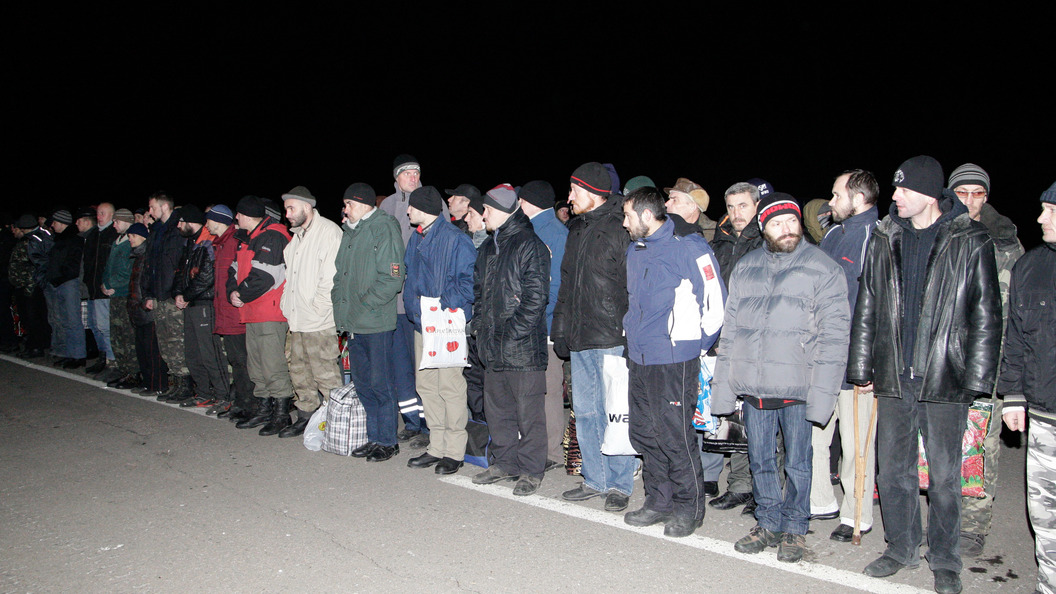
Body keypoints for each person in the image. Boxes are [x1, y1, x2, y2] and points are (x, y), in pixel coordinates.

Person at [848, 156, 1001, 594]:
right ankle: (900, 547)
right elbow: (868, 305)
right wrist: (862, 366)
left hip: (944, 377)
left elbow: (987, 316)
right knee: (892, 472)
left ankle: (946, 558)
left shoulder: (970, 239)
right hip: (895, 374)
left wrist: (976, 380)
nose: (893, 197)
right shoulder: (884, 236)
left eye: (901, 190)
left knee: (946, 477)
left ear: (928, 194)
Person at [711, 192, 849, 563]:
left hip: (798, 389)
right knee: (760, 458)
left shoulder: (823, 267)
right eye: (776, 223)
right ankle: (768, 521)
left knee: (799, 462)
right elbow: (732, 331)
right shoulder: (747, 266)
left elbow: (835, 337)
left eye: (791, 222)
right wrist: (723, 390)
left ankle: (795, 528)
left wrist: (823, 396)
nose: (786, 230)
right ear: (763, 228)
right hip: (755, 388)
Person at [621, 187, 726, 537]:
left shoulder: (689, 247)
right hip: (639, 357)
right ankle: (658, 500)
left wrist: (696, 346)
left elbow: (715, 303)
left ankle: (689, 507)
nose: (625, 223)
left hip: (674, 358)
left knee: (674, 436)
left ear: (647, 216)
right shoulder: (635, 251)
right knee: (644, 432)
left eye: (628, 216)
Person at [947, 163, 1025, 557]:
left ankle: (974, 525)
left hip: (988, 363)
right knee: (939, 443)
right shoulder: (937, 234)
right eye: (963, 193)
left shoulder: (1007, 245)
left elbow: (1016, 313)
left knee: (981, 447)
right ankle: (945, 519)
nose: (971, 201)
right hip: (944, 360)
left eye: (978, 193)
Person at [552, 162, 635, 513]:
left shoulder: (621, 227)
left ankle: (620, 483)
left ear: (592, 192)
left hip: (611, 335)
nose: (569, 198)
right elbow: (566, 286)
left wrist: (631, 334)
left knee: (614, 411)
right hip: (580, 334)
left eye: (574, 190)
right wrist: (560, 329)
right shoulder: (576, 229)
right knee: (585, 412)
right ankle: (595, 478)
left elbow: (633, 287)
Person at [807, 170, 880, 543]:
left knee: (854, 447)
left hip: (855, 362)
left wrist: (868, 363)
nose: (830, 203)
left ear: (859, 197)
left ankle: (857, 515)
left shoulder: (876, 237)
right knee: (815, 434)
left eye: (836, 196)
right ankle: (820, 501)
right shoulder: (834, 234)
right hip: (823, 358)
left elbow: (880, 309)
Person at [469, 184, 551, 495]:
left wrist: (508, 335)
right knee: (497, 409)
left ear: (501, 211)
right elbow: (479, 294)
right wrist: (479, 327)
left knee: (528, 413)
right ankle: (504, 462)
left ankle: (531, 470)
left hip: (522, 350)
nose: (482, 214)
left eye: (486, 209)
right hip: (492, 346)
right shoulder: (488, 248)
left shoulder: (530, 244)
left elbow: (535, 299)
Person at [999, 182, 1056, 594]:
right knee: (1045, 513)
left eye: (1050, 210)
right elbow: (1015, 338)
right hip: (1045, 416)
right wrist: (1013, 395)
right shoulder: (1031, 267)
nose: (1039, 219)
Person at [402, 186, 476, 474]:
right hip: (423, 325)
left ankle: (455, 451)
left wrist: (440, 306)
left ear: (425, 209)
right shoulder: (417, 237)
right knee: (426, 386)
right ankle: (437, 445)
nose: (408, 211)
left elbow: (467, 283)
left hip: (445, 325)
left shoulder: (456, 239)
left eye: (412, 206)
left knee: (450, 387)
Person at [333, 182, 406, 461]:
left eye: (348, 204)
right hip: (353, 322)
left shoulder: (383, 227)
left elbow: (392, 277)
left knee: (381, 383)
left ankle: (388, 440)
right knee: (362, 383)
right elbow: (341, 276)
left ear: (362, 204)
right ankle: (373, 436)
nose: (344, 210)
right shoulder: (351, 232)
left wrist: (365, 306)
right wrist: (340, 305)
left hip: (375, 321)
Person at [379, 154, 447, 448]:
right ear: (396, 178)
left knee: (424, 364)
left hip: (421, 302)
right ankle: (411, 421)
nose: (413, 176)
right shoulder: (387, 206)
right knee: (400, 365)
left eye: (417, 172)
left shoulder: (434, 202)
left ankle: (431, 423)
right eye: (407, 173)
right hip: (394, 301)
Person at [707, 181, 765, 514]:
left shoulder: (767, 240)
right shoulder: (723, 242)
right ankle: (741, 486)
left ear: (757, 204)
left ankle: (765, 489)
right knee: (736, 420)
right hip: (725, 341)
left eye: (743, 206)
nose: (736, 213)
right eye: (730, 207)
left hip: (756, 343)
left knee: (762, 421)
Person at [228, 195, 296, 436]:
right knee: (256, 365)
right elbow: (233, 269)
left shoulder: (274, 236)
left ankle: (281, 414)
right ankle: (264, 409)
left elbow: (265, 276)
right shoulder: (249, 238)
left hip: (270, 311)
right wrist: (232, 293)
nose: (236, 218)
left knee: (272, 365)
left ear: (247, 215)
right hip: (252, 311)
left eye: (238, 214)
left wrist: (240, 293)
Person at [279, 186, 343, 438]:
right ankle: (305, 415)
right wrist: (287, 305)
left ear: (307, 206)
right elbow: (289, 278)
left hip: (319, 320)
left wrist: (318, 308)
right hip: (296, 319)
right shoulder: (296, 239)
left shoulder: (328, 232)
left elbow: (331, 278)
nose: (287, 214)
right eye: (285, 209)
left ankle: (335, 421)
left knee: (325, 373)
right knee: (299, 371)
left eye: (291, 208)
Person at [518, 180, 569, 470]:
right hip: (532, 323)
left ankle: (550, 452)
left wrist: (531, 315)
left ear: (528, 202)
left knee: (548, 389)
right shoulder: (538, 229)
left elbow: (556, 285)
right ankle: (537, 445)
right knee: (534, 389)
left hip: (544, 326)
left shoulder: (553, 234)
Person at [171, 205, 227, 409]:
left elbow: (207, 276)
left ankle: (223, 395)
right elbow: (181, 271)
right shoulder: (191, 243)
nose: (178, 225)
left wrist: (185, 295)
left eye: (181, 221)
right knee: (193, 352)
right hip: (191, 303)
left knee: (209, 352)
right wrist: (178, 293)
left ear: (189, 222)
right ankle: (203, 392)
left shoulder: (207, 242)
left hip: (204, 303)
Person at [205, 205, 254, 419]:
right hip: (226, 312)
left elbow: (240, 275)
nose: (206, 223)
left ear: (218, 220)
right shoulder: (222, 243)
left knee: (242, 362)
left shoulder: (234, 241)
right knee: (236, 361)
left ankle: (249, 405)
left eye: (209, 219)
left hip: (236, 314)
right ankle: (241, 402)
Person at [142, 192, 192, 401]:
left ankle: (186, 384)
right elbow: (150, 265)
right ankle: (176, 382)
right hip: (159, 293)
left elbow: (179, 263)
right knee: (164, 342)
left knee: (177, 341)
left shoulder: (177, 229)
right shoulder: (157, 230)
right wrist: (149, 293)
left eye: (152, 207)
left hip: (172, 294)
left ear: (164, 207)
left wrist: (178, 290)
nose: (150, 212)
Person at [126, 223, 168, 395]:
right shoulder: (138, 256)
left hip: (147, 310)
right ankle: (147, 382)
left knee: (152, 350)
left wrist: (145, 302)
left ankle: (157, 384)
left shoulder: (148, 255)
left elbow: (148, 282)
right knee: (142, 350)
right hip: (137, 309)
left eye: (133, 236)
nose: (130, 239)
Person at [101, 209, 140, 388]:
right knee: (116, 334)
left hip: (123, 294)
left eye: (117, 221)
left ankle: (133, 372)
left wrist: (112, 285)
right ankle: (124, 370)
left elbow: (128, 272)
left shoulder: (129, 244)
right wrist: (104, 283)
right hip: (114, 295)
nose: (114, 225)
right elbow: (109, 268)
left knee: (127, 334)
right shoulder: (117, 242)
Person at [46, 209, 87, 368]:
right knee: (64, 319)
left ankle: (78, 356)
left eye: (55, 222)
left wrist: (61, 277)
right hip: (59, 283)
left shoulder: (74, 240)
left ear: (62, 222)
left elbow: (73, 264)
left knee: (72, 320)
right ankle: (70, 354)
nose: (52, 225)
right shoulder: (60, 239)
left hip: (69, 283)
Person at [8, 214, 51, 359]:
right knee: (34, 318)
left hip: (29, 287)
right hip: (30, 286)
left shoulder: (30, 242)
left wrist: (27, 283)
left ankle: (35, 347)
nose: (14, 231)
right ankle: (36, 345)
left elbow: (35, 265)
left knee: (32, 319)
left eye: (17, 228)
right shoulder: (37, 239)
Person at [83, 202, 117, 375]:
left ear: (111, 215)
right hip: (92, 288)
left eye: (103, 213)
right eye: (98, 213)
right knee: (95, 325)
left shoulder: (114, 234)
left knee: (105, 326)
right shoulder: (94, 234)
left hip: (105, 290)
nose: (99, 216)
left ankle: (112, 361)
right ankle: (102, 357)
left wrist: (109, 283)